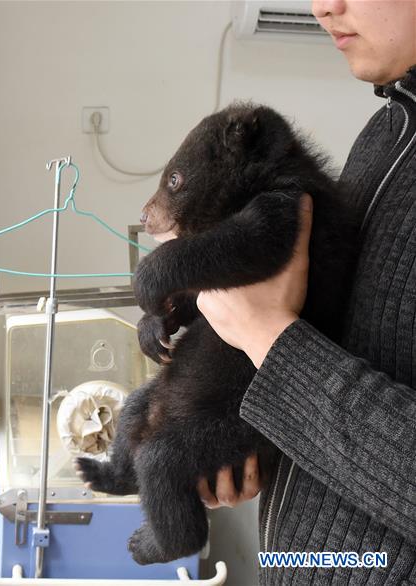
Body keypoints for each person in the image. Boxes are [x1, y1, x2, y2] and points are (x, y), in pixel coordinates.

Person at [194, 0, 416, 583]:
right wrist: (261, 431)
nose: (322, 6)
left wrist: (266, 335)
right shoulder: (387, 131)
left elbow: (284, 340)